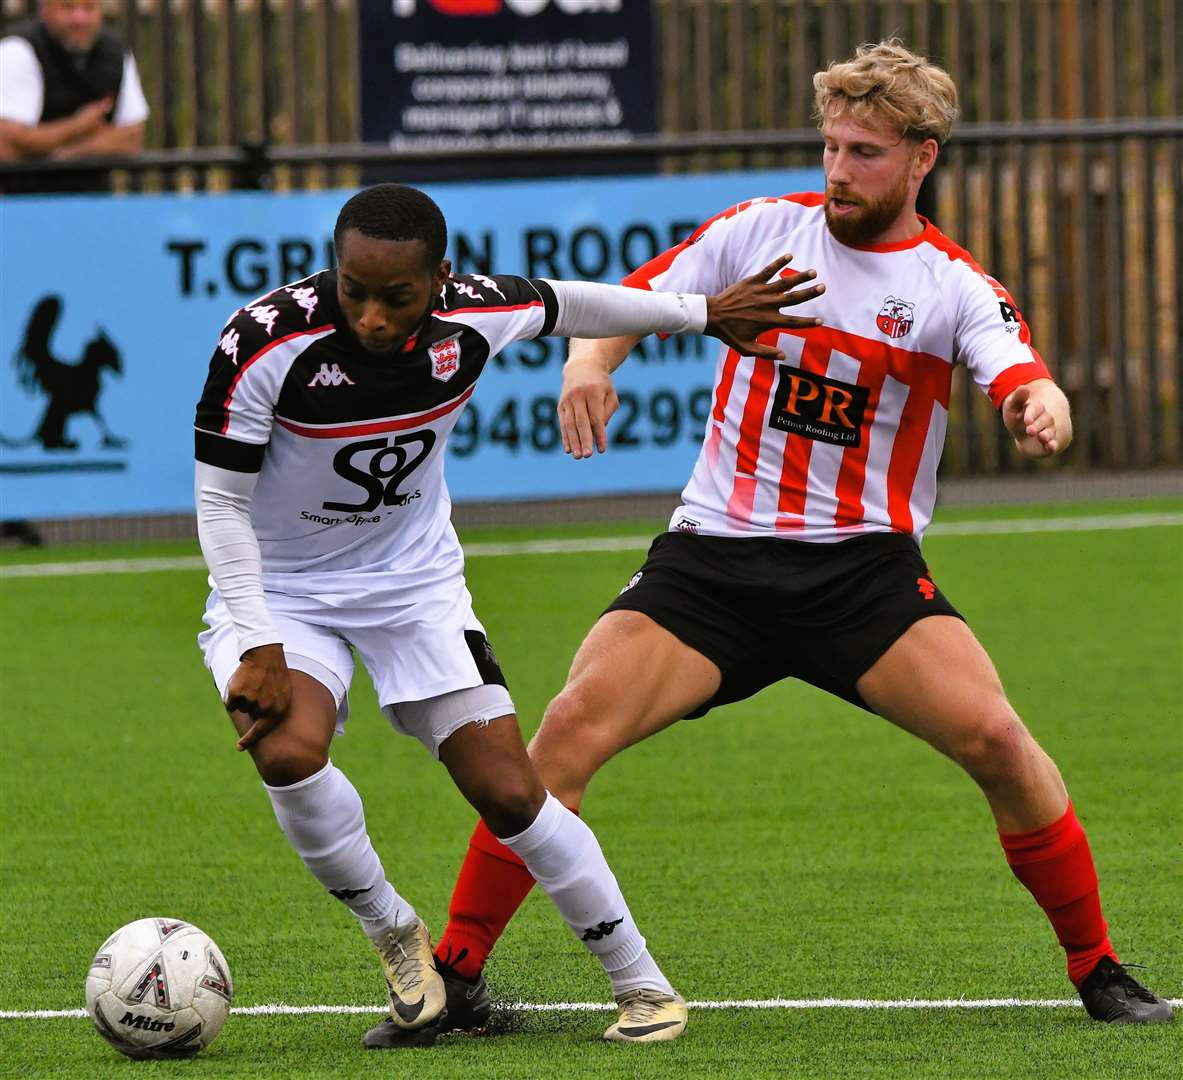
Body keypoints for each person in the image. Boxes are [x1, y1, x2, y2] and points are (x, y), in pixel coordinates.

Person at [415, 40, 1175, 1035]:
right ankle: (455, 976)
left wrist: (1041, 406)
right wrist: (585, 365)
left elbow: (1014, 365)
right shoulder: (760, 233)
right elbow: (627, 306)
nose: (837, 170)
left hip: (860, 572)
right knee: (562, 734)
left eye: (864, 152)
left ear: (921, 159)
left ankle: (1098, 969)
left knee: (998, 739)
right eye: (829, 146)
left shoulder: (950, 285)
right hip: (713, 562)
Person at [192, 182, 824, 1048]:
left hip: (413, 586)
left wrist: (702, 311)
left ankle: (642, 987)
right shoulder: (264, 342)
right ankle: (395, 935)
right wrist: (257, 640)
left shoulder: (475, 315)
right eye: (354, 291)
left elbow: (573, 304)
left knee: (509, 789)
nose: (372, 317)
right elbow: (221, 502)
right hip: (281, 593)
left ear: (441, 280)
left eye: (397, 296)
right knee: (287, 749)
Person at [0, 0, 148, 189]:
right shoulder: (16, 51)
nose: (79, 18)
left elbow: (131, 139)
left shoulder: (116, 51)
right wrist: (79, 126)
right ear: (44, 9)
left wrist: (69, 152)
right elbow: (6, 146)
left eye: (89, 8)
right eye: (67, 7)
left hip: (94, 204)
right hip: (22, 203)